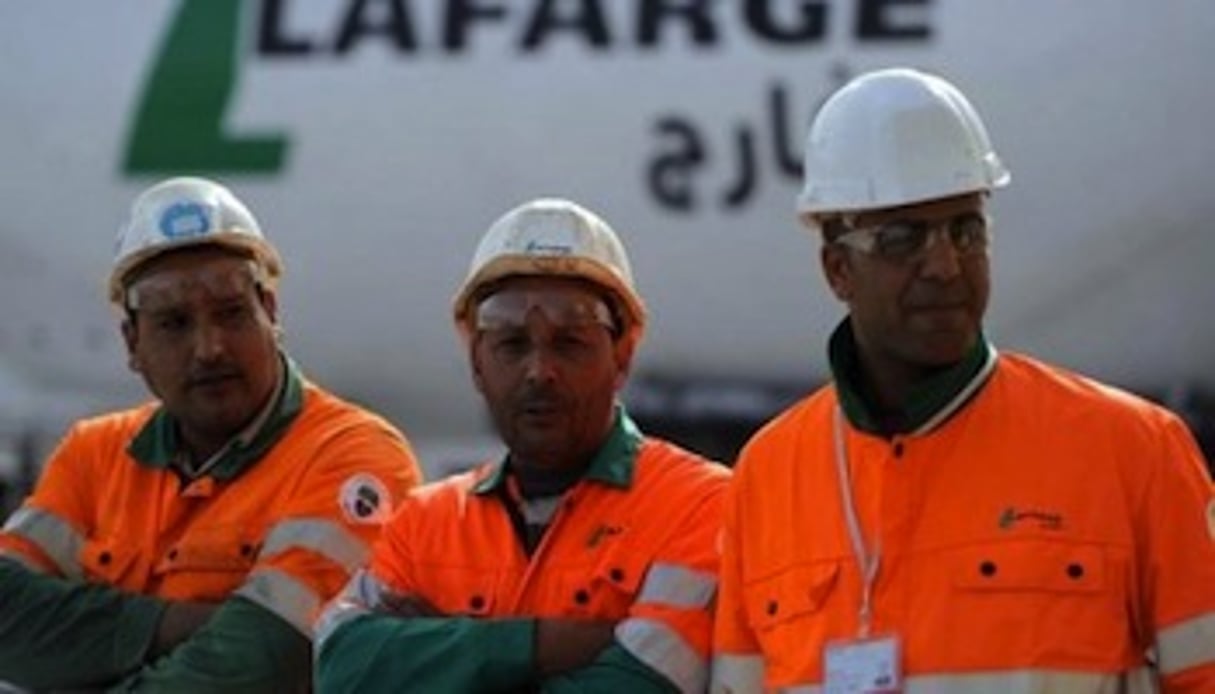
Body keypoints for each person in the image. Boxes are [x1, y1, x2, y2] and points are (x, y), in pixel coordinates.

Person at [711, 67, 1215, 692]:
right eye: (902, 238)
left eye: (965, 230)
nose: (946, 266)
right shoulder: (767, 475)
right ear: (837, 269)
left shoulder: (1136, 452)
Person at [0, 177, 422, 692]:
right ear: (133, 344)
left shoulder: (353, 457)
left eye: (231, 313)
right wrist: (185, 626)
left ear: (270, 312)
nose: (210, 348)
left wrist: (78, 644)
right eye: (174, 324)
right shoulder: (94, 453)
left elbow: (265, 662)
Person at [315, 198, 731, 693]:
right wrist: (549, 643)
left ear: (622, 356)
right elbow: (341, 667)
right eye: (511, 344)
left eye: (569, 343)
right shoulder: (425, 523)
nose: (539, 371)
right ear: (476, 362)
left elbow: (642, 685)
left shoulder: (700, 505)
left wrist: (436, 655)